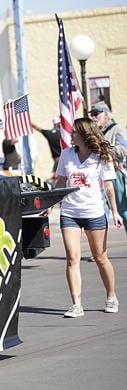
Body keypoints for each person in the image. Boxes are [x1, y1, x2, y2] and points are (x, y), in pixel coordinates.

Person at [54, 117, 123, 318]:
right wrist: (51, 204)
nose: (71, 135)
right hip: (70, 213)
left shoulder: (101, 156)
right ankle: (76, 304)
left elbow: (108, 186)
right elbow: (61, 182)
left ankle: (111, 296)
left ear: (84, 135)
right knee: (72, 258)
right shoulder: (67, 155)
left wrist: (115, 212)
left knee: (101, 257)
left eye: (75, 132)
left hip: (93, 212)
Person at [89, 101, 127, 234]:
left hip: (116, 175)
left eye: (96, 114)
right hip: (99, 177)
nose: (93, 118)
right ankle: (100, 251)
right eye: (91, 115)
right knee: (100, 214)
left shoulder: (117, 129)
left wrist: (105, 149)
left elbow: (124, 150)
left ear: (106, 115)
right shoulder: (95, 133)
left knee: (124, 212)